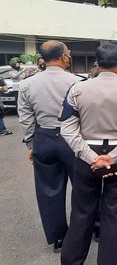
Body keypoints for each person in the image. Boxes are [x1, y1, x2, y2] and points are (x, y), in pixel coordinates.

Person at [60, 43, 117, 265]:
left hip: (86, 155)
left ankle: (71, 261)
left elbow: (67, 129)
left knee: (81, 211)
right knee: (114, 212)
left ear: (96, 64)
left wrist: (90, 157)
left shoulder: (77, 89)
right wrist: (114, 156)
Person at [17, 40, 80, 252]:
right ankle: (96, 228)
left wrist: (31, 144)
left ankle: (59, 238)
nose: (70, 56)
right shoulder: (78, 82)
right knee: (85, 187)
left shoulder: (27, 84)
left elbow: (26, 119)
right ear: (63, 56)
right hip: (73, 139)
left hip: (44, 137)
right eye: (68, 53)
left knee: (49, 190)